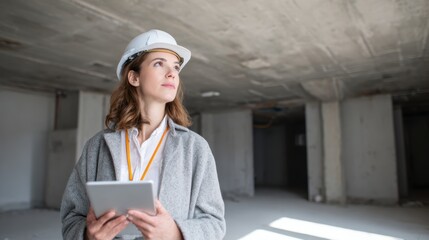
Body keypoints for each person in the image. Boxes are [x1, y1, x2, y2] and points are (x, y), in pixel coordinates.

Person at [60, 29, 226, 240]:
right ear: (134, 77)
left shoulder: (195, 148)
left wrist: (175, 234)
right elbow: (71, 216)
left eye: (176, 67)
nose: (172, 73)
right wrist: (87, 235)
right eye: (159, 63)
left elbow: (215, 224)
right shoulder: (98, 146)